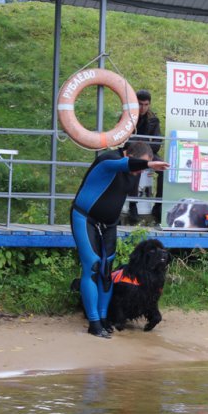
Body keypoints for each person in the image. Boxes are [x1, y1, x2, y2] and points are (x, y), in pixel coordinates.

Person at [71, 141, 169, 338]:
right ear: (128, 154)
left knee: (107, 271)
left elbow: (138, 164)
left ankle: (104, 318)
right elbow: (124, 165)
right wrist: (148, 165)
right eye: (140, 165)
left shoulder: (136, 169)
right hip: (85, 218)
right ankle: (93, 322)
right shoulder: (108, 160)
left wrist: (155, 164)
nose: (140, 172)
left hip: (109, 223)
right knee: (93, 266)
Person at [127, 89, 163, 224]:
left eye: (146, 104)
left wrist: (144, 148)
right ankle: (132, 206)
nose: (143, 108)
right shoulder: (128, 116)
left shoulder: (153, 119)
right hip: (132, 153)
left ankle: (158, 206)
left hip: (149, 153)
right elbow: (122, 139)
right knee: (135, 168)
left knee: (164, 169)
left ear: (149, 104)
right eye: (140, 104)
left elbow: (158, 143)